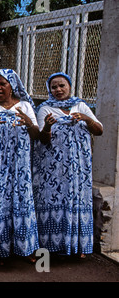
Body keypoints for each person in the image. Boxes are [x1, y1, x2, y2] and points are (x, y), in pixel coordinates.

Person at [33, 72, 103, 258]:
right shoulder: (45, 109)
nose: (58, 90)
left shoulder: (80, 105)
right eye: (54, 87)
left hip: (78, 169)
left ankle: (78, 246)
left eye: (61, 85)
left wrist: (87, 119)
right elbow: (42, 138)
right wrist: (47, 126)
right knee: (52, 201)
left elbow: (99, 130)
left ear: (69, 86)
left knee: (78, 202)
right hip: (52, 170)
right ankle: (52, 247)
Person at [0, 68, 40, 266]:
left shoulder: (26, 106)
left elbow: (36, 135)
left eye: (3, 84)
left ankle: (25, 248)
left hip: (19, 166)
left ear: (12, 86)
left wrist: (29, 123)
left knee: (21, 203)